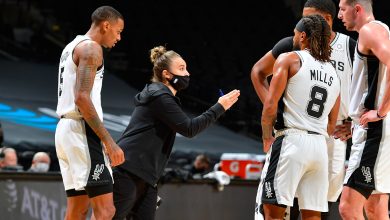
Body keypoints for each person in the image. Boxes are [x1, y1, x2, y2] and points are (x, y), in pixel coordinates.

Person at [252, 0, 355, 219]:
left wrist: (266, 134)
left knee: (271, 211)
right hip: (320, 142)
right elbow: (330, 122)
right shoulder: (332, 72)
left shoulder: (290, 58)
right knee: (313, 214)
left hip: (292, 138)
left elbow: (270, 105)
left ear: (302, 36)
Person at [112, 45, 240, 219]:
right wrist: (220, 107)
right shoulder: (160, 95)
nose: (187, 74)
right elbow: (189, 128)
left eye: (186, 68)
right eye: (181, 69)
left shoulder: (162, 96)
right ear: (167, 74)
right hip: (129, 169)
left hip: (147, 175)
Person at [55, 6, 125, 220]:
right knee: (106, 211)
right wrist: (109, 141)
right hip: (82, 130)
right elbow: (82, 98)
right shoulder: (92, 49)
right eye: (118, 31)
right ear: (106, 25)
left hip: (65, 131)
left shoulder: (71, 46)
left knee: (77, 211)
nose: (119, 38)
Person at [337, 0, 390, 219]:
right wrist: (356, 120)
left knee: (348, 207)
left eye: (342, 9)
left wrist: (380, 112)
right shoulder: (378, 30)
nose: (339, 15)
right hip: (374, 129)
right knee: (375, 209)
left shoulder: (370, 30)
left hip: (374, 132)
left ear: (357, 8)